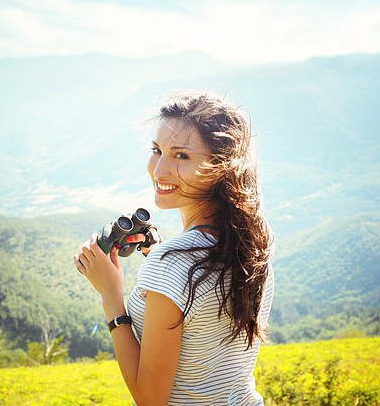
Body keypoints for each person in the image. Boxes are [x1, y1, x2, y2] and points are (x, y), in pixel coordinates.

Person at [73, 91, 274, 405]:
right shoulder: (251, 245)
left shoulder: (173, 264)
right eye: (157, 150)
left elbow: (150, 398)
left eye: (181, 156)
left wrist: (111, 297)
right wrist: (162, 256)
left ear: (220, 165)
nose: (160, 170)